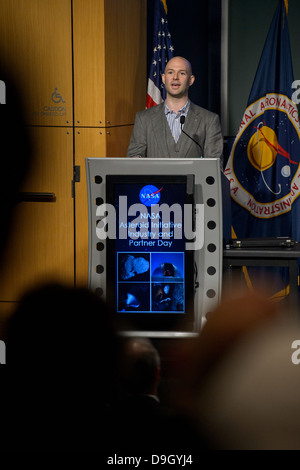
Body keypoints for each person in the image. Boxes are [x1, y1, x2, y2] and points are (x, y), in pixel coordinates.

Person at [127, 56, 223, 163]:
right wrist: (136, 160)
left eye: (182, 73)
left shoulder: (209, 120)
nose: (175, 77)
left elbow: (214, 167)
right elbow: (134, 158)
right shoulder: (144, 119)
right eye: (170, 72)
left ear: (191, 80)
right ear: (163, 78)